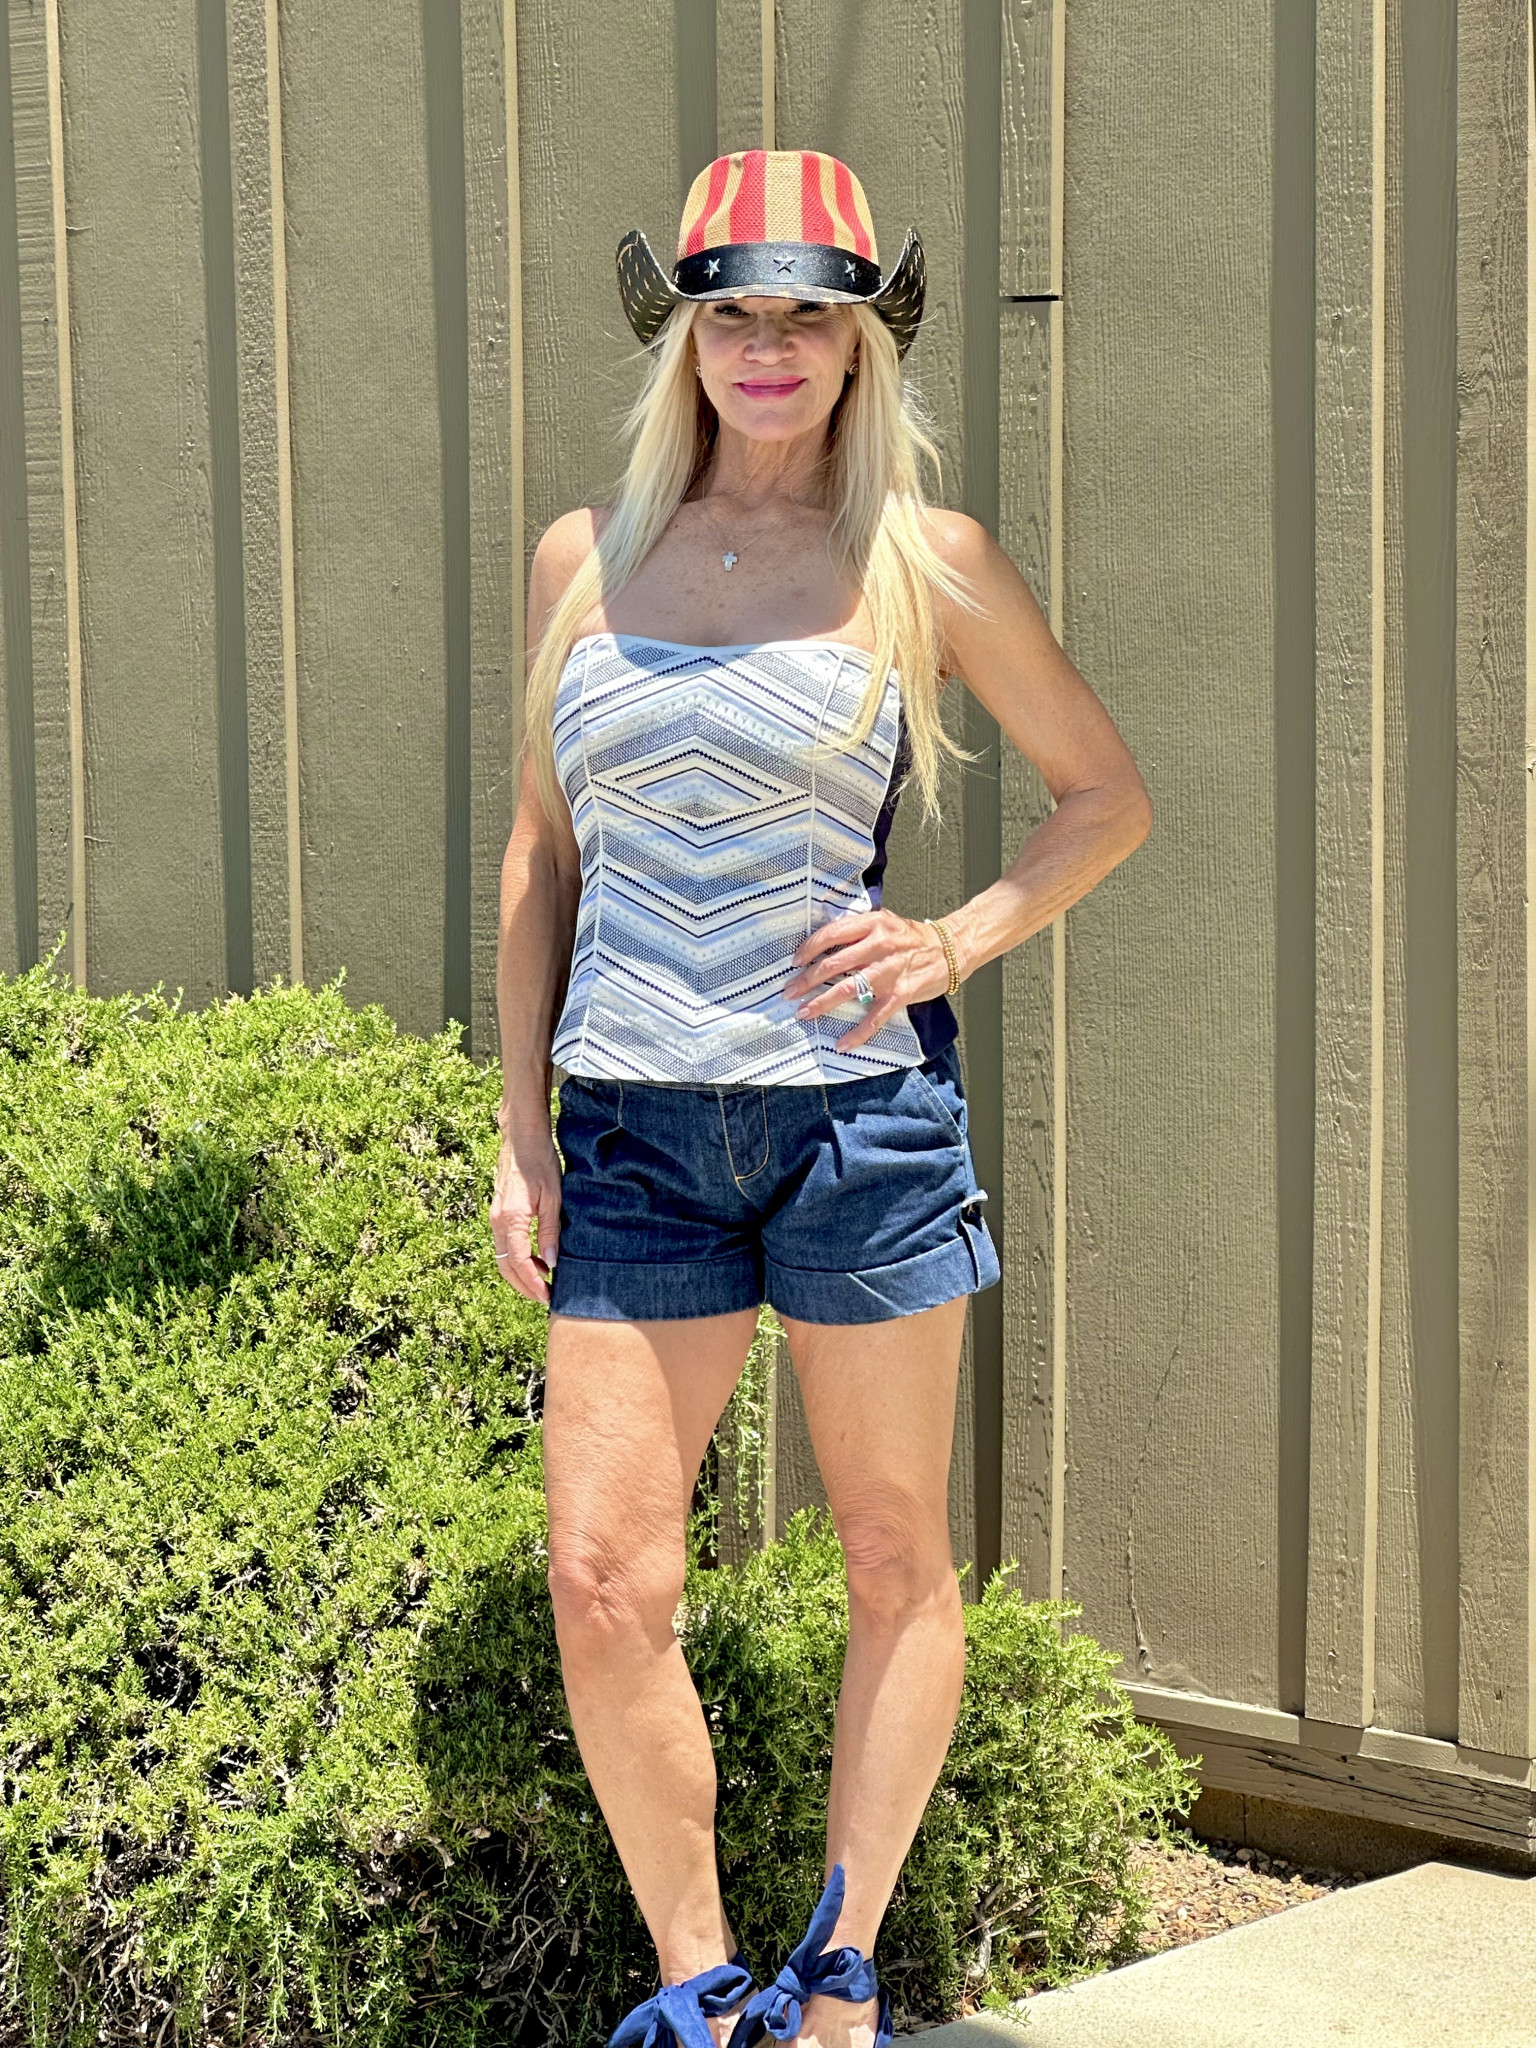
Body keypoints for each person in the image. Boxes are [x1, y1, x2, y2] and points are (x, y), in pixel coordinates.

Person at [491, 147, 1151, 2048]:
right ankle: (702, 1993)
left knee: (889, 1555)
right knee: (603, 1579)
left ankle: (842, 1978)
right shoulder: (583, 558)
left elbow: (1105, 795)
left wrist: (953, 940)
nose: (767, 347)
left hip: (858, 1128)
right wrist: (523, 1135)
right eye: (733, 314)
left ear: (864, 342)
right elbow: (542, 855)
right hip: (633, 1134)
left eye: (807, 315)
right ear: (681, 336)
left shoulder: (922, 562)